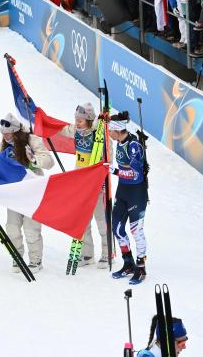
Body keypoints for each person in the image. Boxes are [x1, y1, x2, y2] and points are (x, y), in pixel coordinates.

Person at [0, 113, 54, 272]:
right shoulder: (5, 144)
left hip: (33, 192)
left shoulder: (32, 140)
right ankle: (17, 256)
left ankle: (35, 260)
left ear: (16, 131)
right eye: (3, 134)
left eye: (8, 134)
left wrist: (33, 159)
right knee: (12, 228)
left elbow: (49, 161)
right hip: (15, 192)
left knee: (31, 229)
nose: (5, 137)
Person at [59, 103, 110, 268]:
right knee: (83, 221)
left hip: (96, 185)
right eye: (76, 120)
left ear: (89, 120)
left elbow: (109, 159)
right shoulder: (75, 131)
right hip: (81, 184)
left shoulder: (100, 135)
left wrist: (101, 180)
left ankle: (107, 253)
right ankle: (87, 255)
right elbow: (58, 128)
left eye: (80, 120)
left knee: (101, 220)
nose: (77, 123)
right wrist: (40, 121)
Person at [108, 111, 149, 284]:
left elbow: (135, 175)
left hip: (137, 194)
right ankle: (128, 263)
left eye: (110, 130)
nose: (109, 132)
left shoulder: (133, 145)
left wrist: (115, 171)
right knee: (116, 228)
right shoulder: (119, 142)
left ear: (118, 130)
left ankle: (141, 268)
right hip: (123, 191)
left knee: (136, 231)